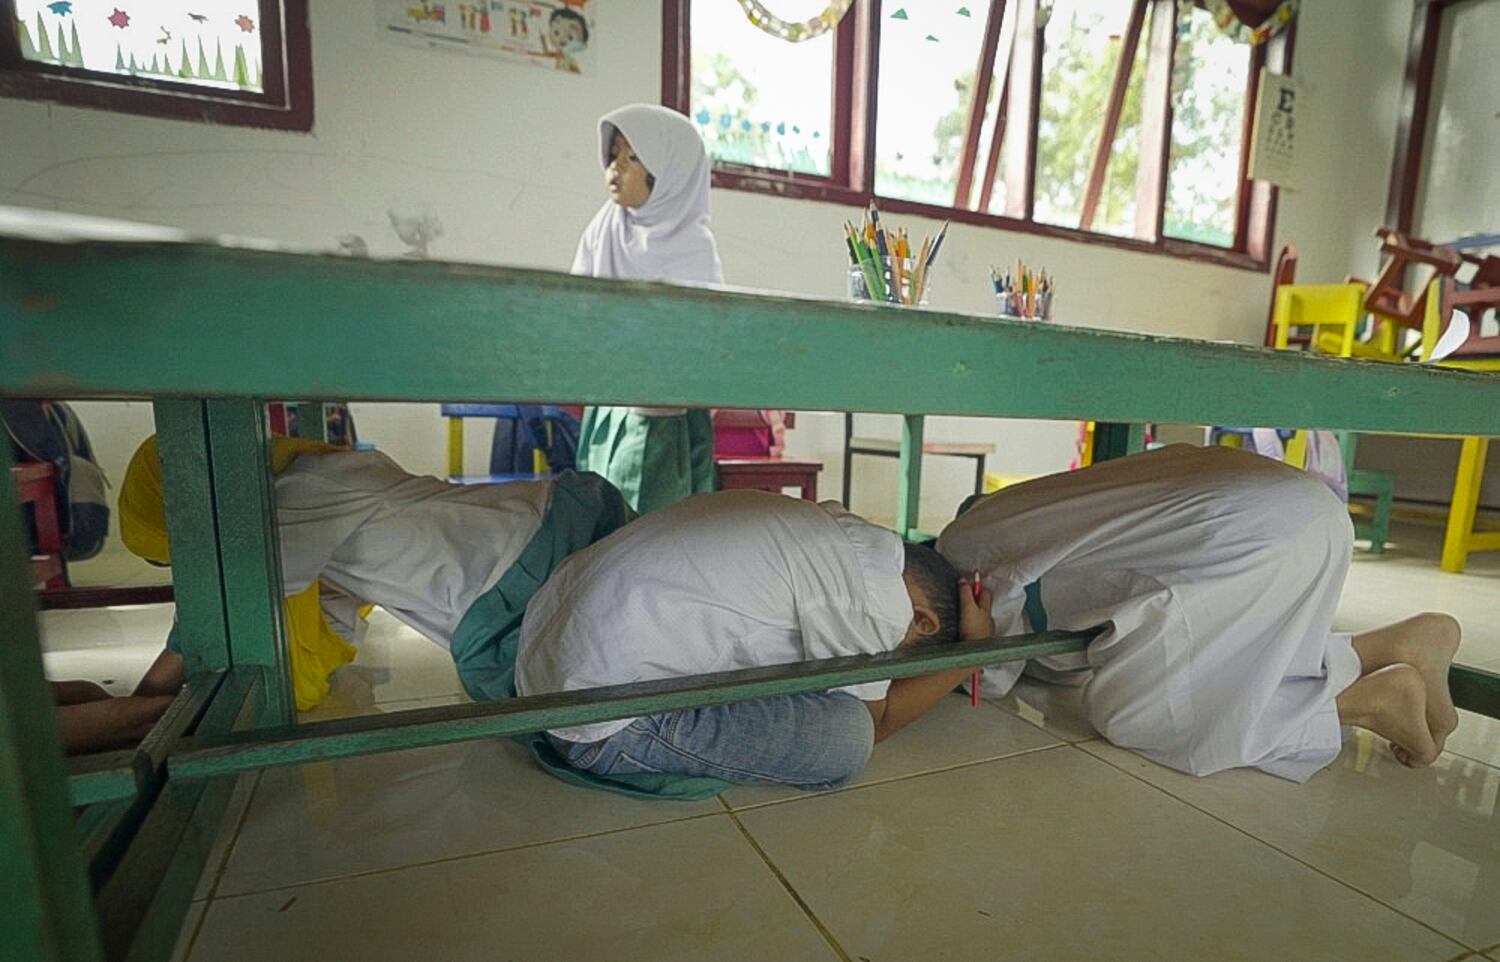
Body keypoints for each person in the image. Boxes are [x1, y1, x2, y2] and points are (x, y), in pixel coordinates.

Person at [51, 436, 631, 753]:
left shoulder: (293, 496)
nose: (196, 567)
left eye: (180, 551)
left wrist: (145, 704)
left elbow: (214, 610)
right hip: (534, 532)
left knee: (569, 710)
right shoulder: (310, 493)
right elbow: (333, 622)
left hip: (525, 563)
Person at [936, 444, 1461, 782]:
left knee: (1140, 715)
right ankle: (1392, 646)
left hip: (1238, 534)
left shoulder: (963, 553)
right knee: (1253, 655)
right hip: (1310, 508)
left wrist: (971, 649)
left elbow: (994, 671)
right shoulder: (1010, 509)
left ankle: (1363, 703)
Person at [512, 489, 992, 798]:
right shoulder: (878, 601)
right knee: (847, 739)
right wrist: (972, 654)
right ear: (923, 622)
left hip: (541, 653)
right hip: (592, 720)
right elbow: (878, 723)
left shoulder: (840, 531)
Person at [571, 104, 722, 514]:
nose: (615, 167)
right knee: (600, 508)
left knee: (660, 518)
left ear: (670, 173)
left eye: (633, 157)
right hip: (609, 402)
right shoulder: (605, 227)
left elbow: (702, 331)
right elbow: (578, 303)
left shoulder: (692, 244)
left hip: (669, 413)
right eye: (613, 154)